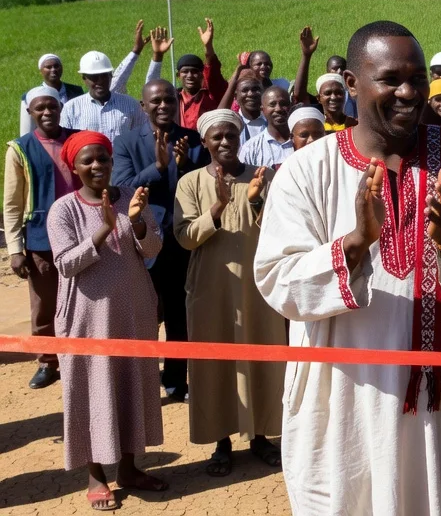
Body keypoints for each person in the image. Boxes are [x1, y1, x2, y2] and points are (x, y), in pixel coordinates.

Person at [254, 21, 441, 514]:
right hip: (346, 402)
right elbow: (277, 279)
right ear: (352, 85)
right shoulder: (307, 170)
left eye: (417, 78)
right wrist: (356, 243)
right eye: (391, 79)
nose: (409, 92)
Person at [45, 131, 168, 510]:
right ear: (74, 166)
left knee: (132, 383)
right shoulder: (63, 210)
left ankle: (129, 468)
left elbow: (152, 248)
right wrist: (103, 227)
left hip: (133, 312)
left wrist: (139, 223)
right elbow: (65, 264)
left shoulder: (133, 197)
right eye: (88, 160)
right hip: (87, 318)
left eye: (103, 158)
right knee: (91, 389)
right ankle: (96, 476)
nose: (98, 165)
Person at [175, 109, 284, 477]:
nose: (224, 143)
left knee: (262, 357)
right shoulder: (190, 183)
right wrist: (218, 207)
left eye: (231, 136)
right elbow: (185, 237)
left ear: (241, 139)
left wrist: (253, 200)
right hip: (211, 288)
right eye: (216, 137)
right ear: (204, 141)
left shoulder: (262, 176)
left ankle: (260, 435)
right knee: (215, 362)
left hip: (257, 288)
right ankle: (221, 440)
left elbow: (279, 227)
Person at [111, 79, 203, 401]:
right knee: (145, 316)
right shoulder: (126, 142)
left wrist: (185, 165)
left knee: (179, 315)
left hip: (181, 243)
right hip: (143, 241)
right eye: (156, 101)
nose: (163, 106)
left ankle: (177, 380)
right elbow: (122, 188)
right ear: (143, 106)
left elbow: (201, 184)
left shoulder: (192, 140)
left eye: (168, 100)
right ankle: (145, 384)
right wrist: (158, 167)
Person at [4, 87, 74, 389]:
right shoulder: (19, 149)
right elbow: (12, 203)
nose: (47, 113)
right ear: (31, 113)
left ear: (60, 108)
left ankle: (79, 357)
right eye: (40, 108)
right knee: (45, 304)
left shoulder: (77, 139)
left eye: (52, 107)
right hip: (40, 239)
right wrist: (15, 248)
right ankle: (48, 361)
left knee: (80, 302)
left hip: (78, 234)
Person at [60, 37, 168, 139]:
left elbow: (143, 137)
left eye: (104, 76)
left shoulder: (131, 105)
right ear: (84, 78)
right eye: (94, 77)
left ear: (111, 75)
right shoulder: (71, 108)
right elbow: (64, 142)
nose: (100, 81)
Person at [174, 18, 229, 130]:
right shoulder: (174, 98)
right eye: (185, 72)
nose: (189, 75)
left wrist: (208, 46)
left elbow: (213, 72)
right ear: (178, 75)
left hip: (206, 145)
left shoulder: (211, 94)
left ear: (202, 74)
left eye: (195, 72)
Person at [18, 53, 82, 137]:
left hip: (73, 136)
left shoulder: (76, 91)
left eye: (56, 66)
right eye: (48, 67)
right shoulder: (32, 96)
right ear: (41, 71)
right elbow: (26, 129)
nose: (53, 70)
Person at [238, 86, 294, 168]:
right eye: (272, 104)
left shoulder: (302, 143)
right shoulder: (250, 148)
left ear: (291, 106)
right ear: (262, 109)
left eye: (283, 104)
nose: (278, 109)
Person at [326, 54, 357, 118]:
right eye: (335, 69)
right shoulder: (323, 92)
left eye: (342, 68)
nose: (339, 71)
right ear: (327, 71)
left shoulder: (353, 91)